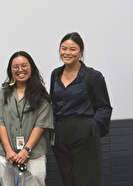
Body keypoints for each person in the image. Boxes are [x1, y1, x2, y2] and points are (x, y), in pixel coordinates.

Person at [50, 32, 112, 186]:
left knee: (87, 180)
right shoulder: (55, 74)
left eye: (72, 49)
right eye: (64, 48)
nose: (67, 53)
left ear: (81, 52)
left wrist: (91, 126)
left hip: (84, 130)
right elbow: (52, 103)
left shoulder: (93, 76)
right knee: (67, 179)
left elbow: (104, 107)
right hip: (60, 133)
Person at [0, 51, 53, 186]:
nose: (20, 70)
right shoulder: (3, 95)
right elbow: (0, 123)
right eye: (15, 67)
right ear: (10, 70)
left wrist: (26, 151)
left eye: (24, 65)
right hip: (7, 156)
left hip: (34, 155)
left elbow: (40, 125)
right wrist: (8, 150)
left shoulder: (42, 96)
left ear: (31, 68)